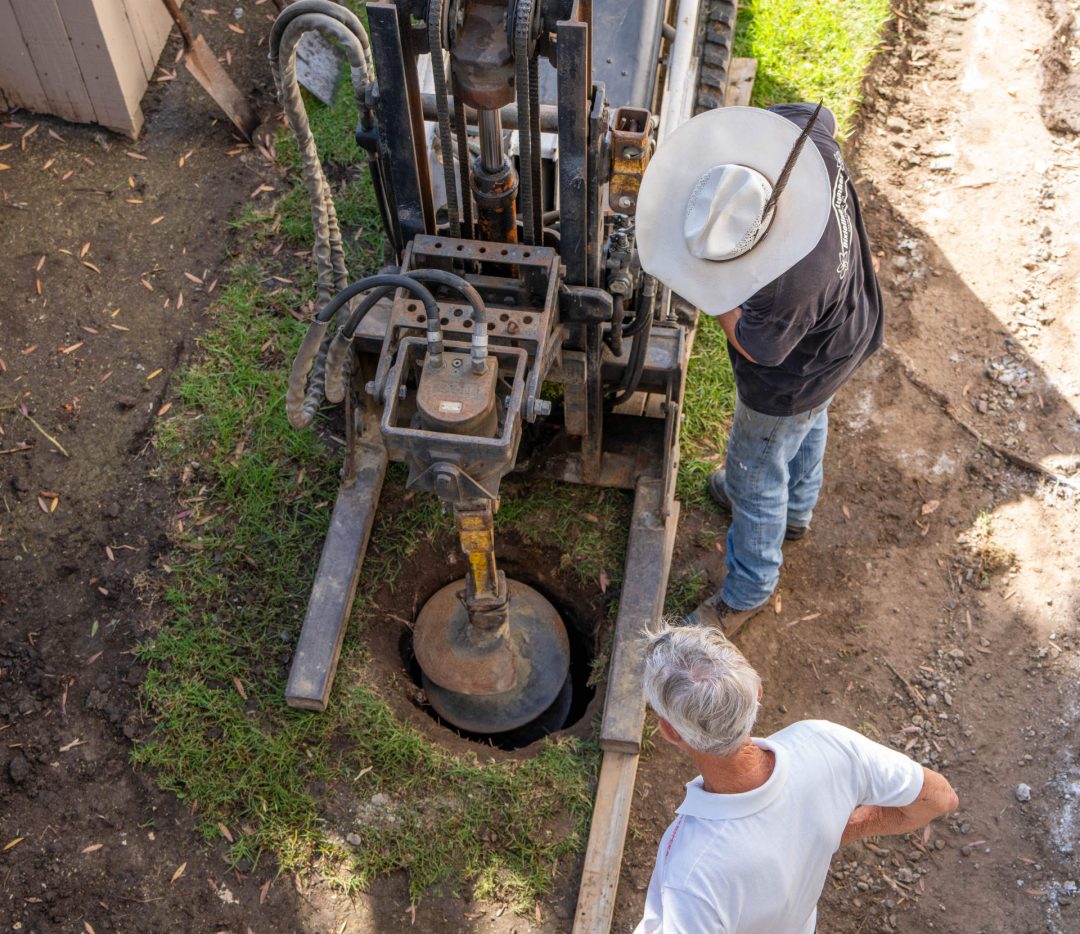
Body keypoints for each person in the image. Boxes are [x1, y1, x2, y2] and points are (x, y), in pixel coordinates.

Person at [636, 102, 884, 633]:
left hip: (792, 375)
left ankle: (749, 587)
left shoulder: (787, 288)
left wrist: (716, 297)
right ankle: (795, 514)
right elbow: (819, 120)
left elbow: (759, 349)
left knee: (754, 472)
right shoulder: (801, 138)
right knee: (808, 423)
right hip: (848, 329)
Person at [635, 622, 958, 934]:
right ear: (757, 693)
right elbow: (940, 799)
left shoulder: (691, 872)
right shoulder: (825, 742)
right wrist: (839, 831)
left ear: (670, 732)